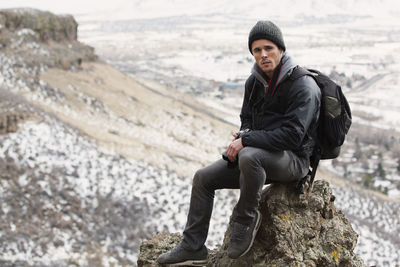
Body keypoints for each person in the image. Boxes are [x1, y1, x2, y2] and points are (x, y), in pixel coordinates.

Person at [157, 20, 321, 266]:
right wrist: (241, 136)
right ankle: (192, 246)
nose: (263, 55)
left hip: (293, 162)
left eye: (268, 48)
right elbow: (247, 120)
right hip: (259, 158)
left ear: (281, 49)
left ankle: (245, 221)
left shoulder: (303, 84)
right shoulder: (253, 83)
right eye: (257, 50)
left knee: (249, 155)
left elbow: (293, 136)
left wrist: (247, 140)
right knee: (203, 178)